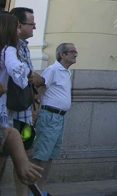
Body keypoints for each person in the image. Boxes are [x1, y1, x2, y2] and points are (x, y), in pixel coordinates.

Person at [32, 42, 77, 193]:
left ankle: (41, 189)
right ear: (62, 55)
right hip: (49, 116)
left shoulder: (66, 72)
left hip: (59, 117)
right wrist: (35, 110)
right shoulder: (52, 70)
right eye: (72, 51)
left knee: (50, 155)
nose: (75, 54)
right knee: (41, 155)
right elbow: (40, 88)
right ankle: (33, 190)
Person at [8, 7, 44, 196]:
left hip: (24, 112)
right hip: (8, 110)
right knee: (4, 154)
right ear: (19, 25)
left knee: (25, 153)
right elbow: (21, 74)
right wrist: (32, 76)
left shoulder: (24, 47)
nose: (34, 28)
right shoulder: (8, 47)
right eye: (32, 24)